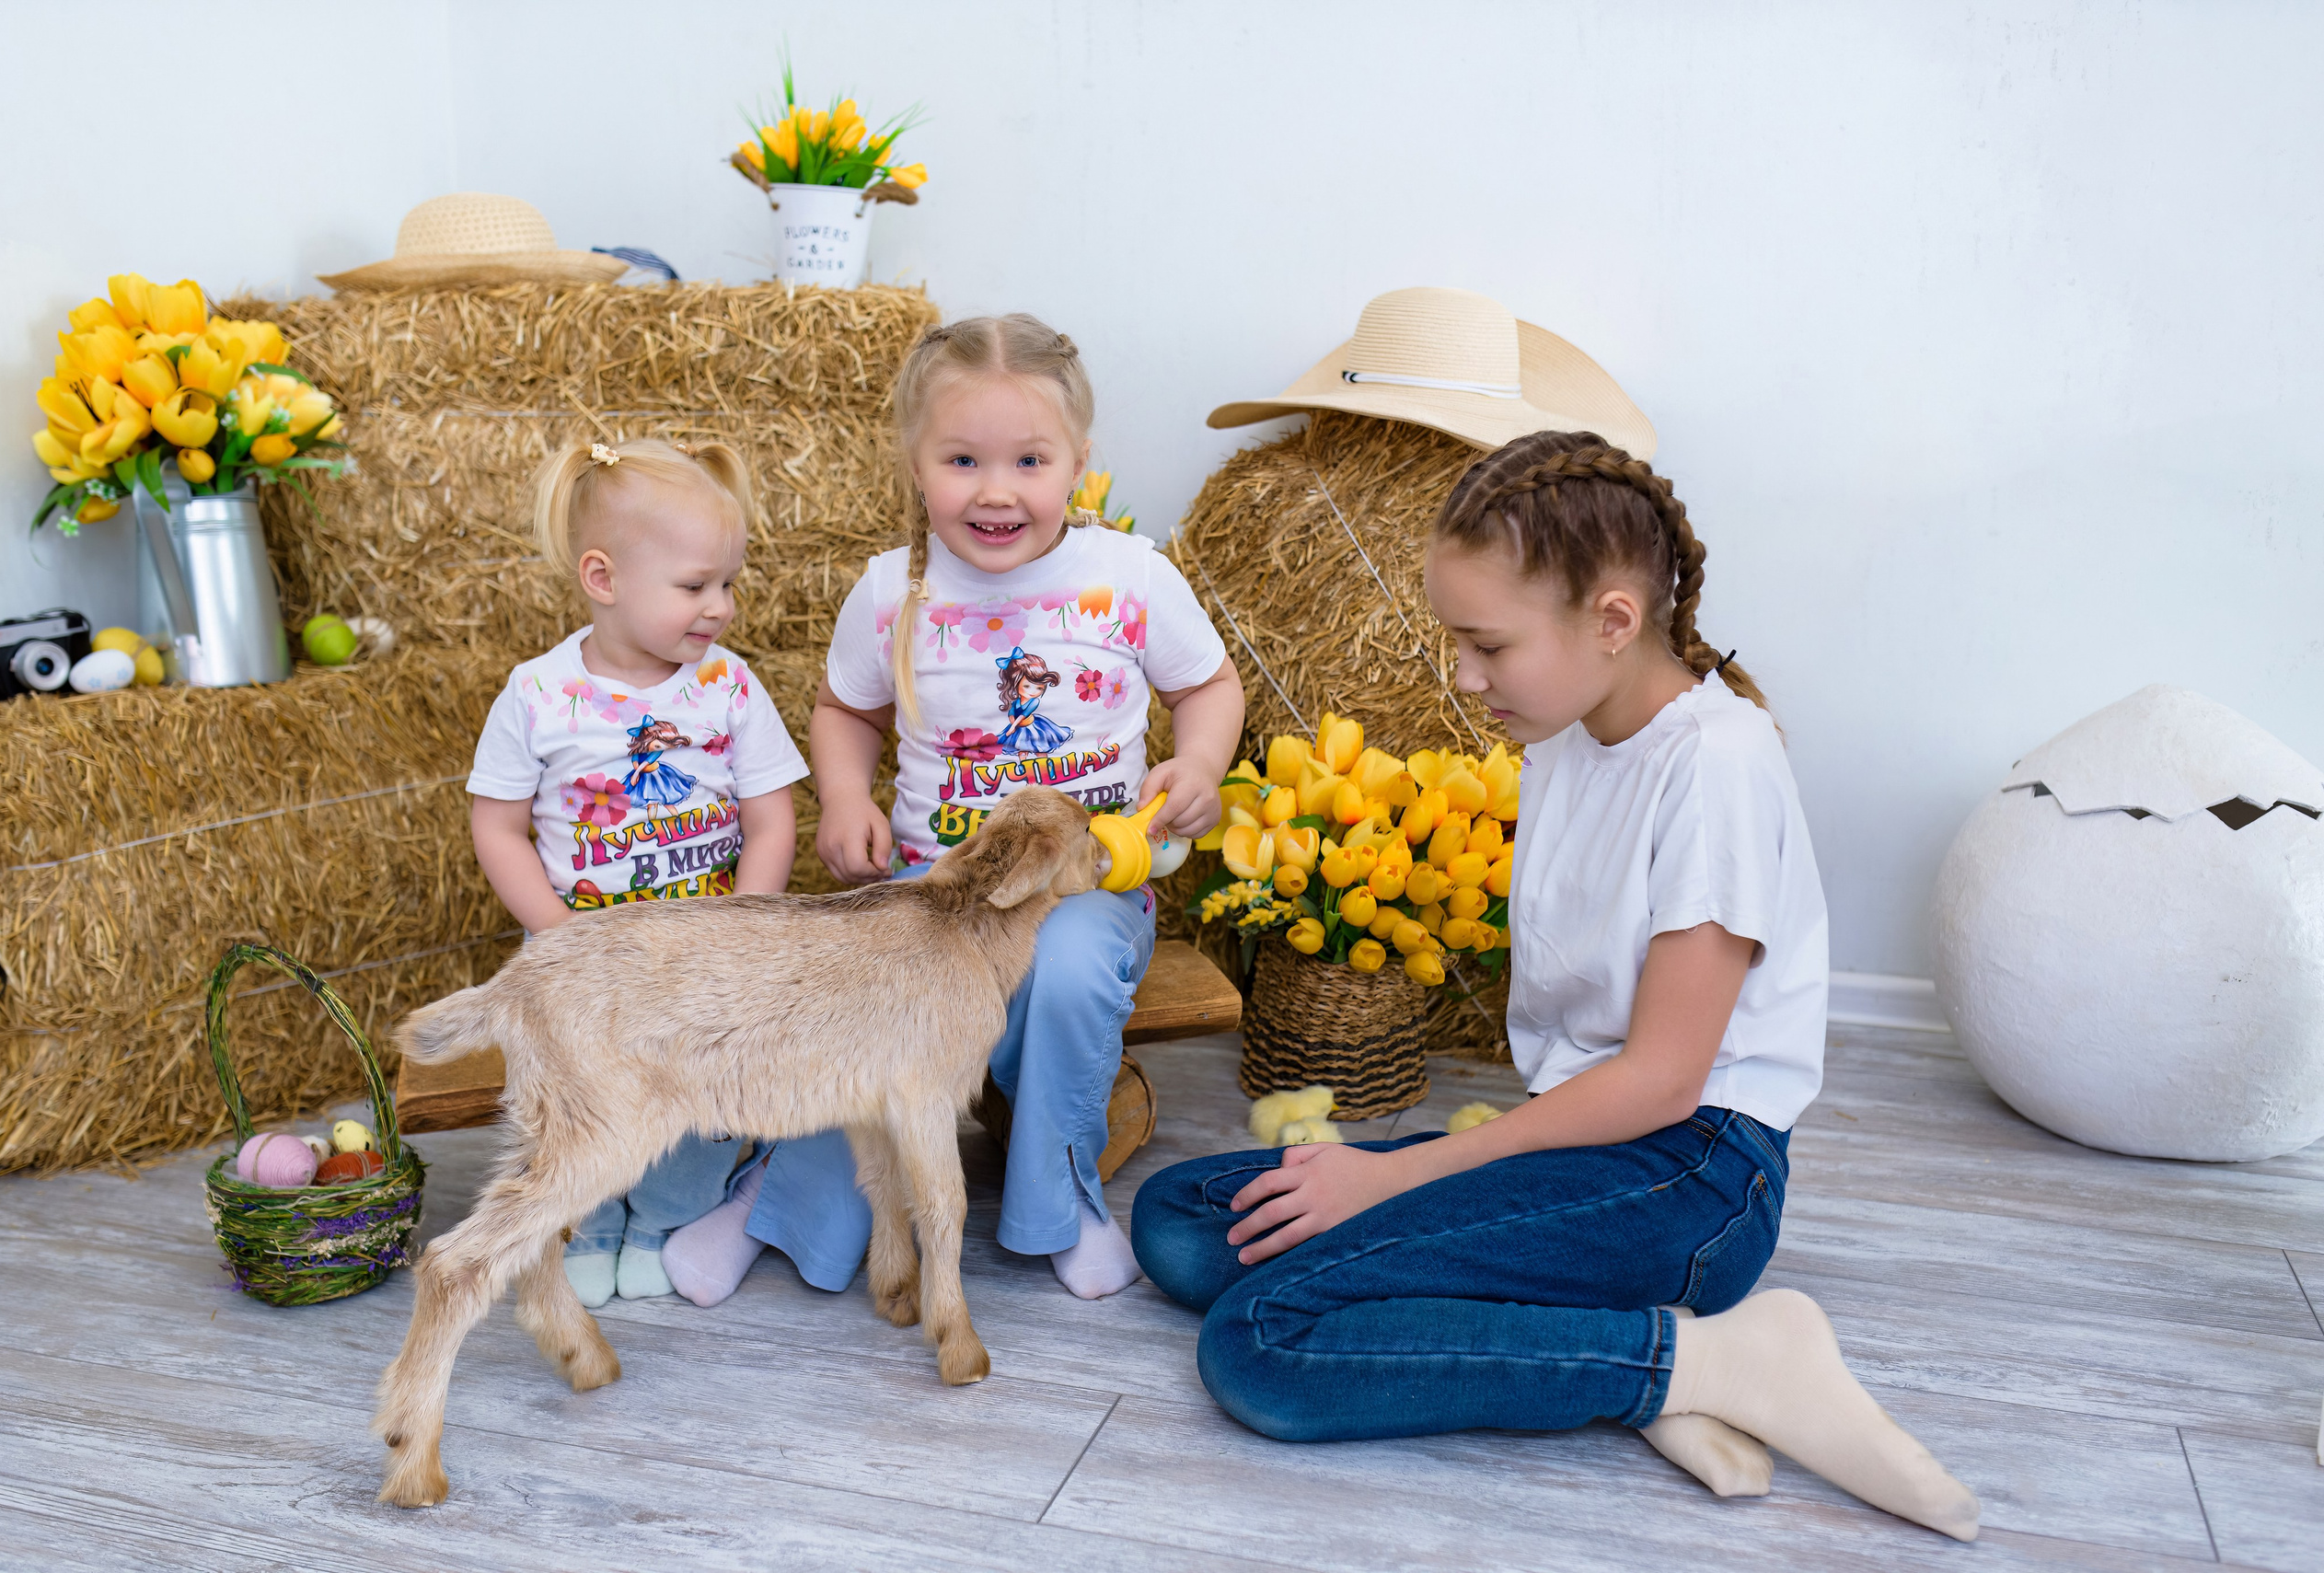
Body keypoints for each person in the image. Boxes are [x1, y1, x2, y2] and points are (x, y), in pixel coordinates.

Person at [1129, 432, 1981, 1542]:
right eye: (1455, 639)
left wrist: (1400, 1178)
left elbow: (1665, 1081)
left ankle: (1707, 1361)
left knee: (1262, 1343)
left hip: (1694, 1174)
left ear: (1613, 620)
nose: (1464, 676)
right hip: (1580, 1141)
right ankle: (1570, 1329)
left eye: (1488, 643)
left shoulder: (1717, 765)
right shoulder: (1572, 737)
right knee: (1184, 1219)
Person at [660, 313, 1244, 1305]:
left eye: (1029, 458)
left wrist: (1197, 764)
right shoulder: (894, 589)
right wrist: (844, 792)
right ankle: (786, 1204)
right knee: (869, 1007)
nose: (996, 489)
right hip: (932, 891)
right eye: (963, 459)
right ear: (915, 461)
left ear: (1078, 463)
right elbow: (846, 707)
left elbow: (1210, 685)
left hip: (1085, 885)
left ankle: (1062, 1200)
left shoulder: (1131, 574)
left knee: (1063, 980)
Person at [465, 436, 805, 1310]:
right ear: (603, 578)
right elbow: (498, 825)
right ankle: (592, 1215)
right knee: (582, 1098)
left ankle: (663, 1214)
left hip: (700, 962)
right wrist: (555, 931)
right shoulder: (538, 697)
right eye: (695, 586)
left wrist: (745, 922)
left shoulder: (728, 686)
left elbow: (770, 814)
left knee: (692, 1094)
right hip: (584, 958)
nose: (721, 607)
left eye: (728, 582)